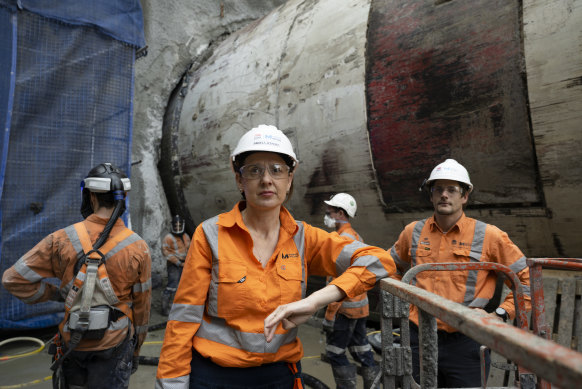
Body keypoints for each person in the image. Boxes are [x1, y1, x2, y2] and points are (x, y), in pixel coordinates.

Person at [155, 125, 396, 389]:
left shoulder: (305, 239)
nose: (267, 179)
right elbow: (183, 319)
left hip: (278, 376)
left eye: (277, 170)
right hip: (215, 376)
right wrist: (171, 384)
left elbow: (379, 260)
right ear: (239, 180)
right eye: (254, 170)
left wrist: (316, 300)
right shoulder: (210, 235)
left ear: (289, 179)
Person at [2, 163, 152, 389]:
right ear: (124, 196)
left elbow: (13, 279)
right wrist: (136, 348)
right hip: (115, 344)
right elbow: (142, 308)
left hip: (73, 342)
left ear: (91, 195)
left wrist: (58, 294)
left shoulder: (61, 239)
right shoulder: (138, 247)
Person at [387, 158, 531, 388]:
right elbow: (389, 267)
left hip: (466, 342)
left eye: (452, 190)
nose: (445, 195)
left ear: (464, 196)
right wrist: (405, 300)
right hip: (418, 338)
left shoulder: (489, 236)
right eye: (438, 189)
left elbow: (527, 279)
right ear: (431, 195)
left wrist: (500, 314)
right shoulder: (412, 232)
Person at [321, 193, 380, 389]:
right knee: (361, 349)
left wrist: (329, 315)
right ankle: (373, 384)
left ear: (340, 213)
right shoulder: (356, 236)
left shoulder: (340, 240)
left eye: (329, 212)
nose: (326, 215)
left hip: (344, 309)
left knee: (335, 352)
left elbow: (338, 282)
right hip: (360, 308)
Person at [161, 214, 191, 316]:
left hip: (184, 264)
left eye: (179, 225)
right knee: (172, 286)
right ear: (172, 225)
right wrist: (178, 263)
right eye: (175, 225)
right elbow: (166, 253)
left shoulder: (186, 237)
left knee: (182, 287)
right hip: (174, 265)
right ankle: (166, 309)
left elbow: (190, 250)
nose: (177, 228)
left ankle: (179, 308)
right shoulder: (168, 238)